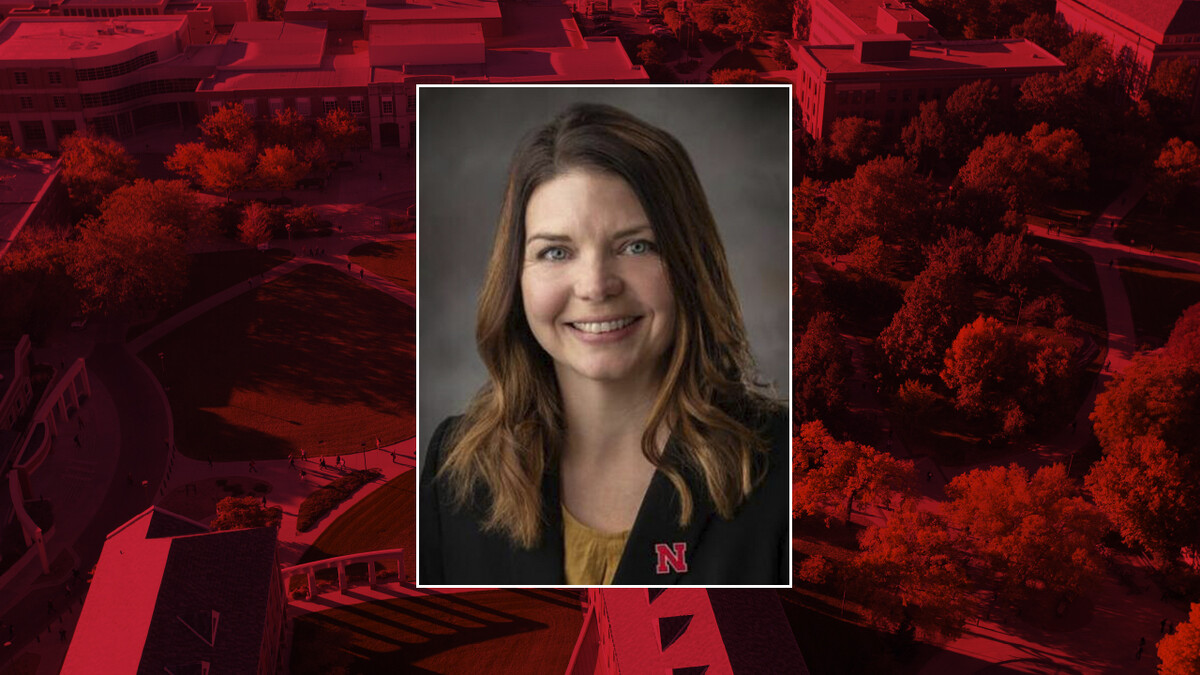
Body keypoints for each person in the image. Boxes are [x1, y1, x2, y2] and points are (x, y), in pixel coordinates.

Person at [420, 103, 788, 586]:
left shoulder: (784, 465)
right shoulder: (453, 467)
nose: (595, 286)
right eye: (555, 251)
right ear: (515, 280)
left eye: (636, 246)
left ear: (689, 266)